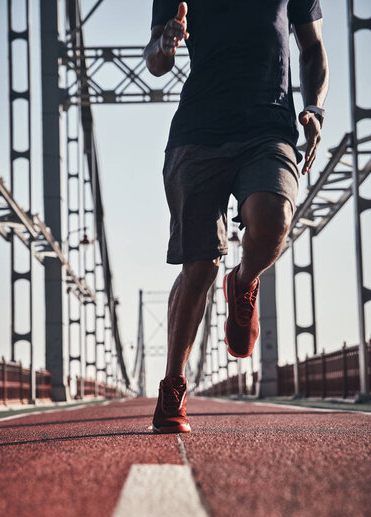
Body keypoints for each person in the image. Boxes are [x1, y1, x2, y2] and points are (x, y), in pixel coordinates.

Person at [144, 0, 329, 433]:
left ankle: (243, 283)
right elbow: (155, 59)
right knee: (200, 266)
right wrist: (167, 43)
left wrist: (315, 108)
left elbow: (313, 48)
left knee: (274, 217)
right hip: (198, 133)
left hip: (270, 127)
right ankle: (173, 386)